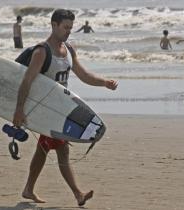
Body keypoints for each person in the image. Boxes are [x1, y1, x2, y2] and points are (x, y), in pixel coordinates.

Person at [12, 9, 118, 206]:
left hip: (60, 108)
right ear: (53, 25)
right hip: (45, 109)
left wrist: (104, 82)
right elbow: (26, 82)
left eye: (70, 28)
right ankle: (78, 194)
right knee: (62, 151)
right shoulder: (41, 52)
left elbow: (83, 75)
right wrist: (19, 110)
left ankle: (28, 189)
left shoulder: (68, 49)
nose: (69, 31)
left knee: (43, 148)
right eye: (65, 27)